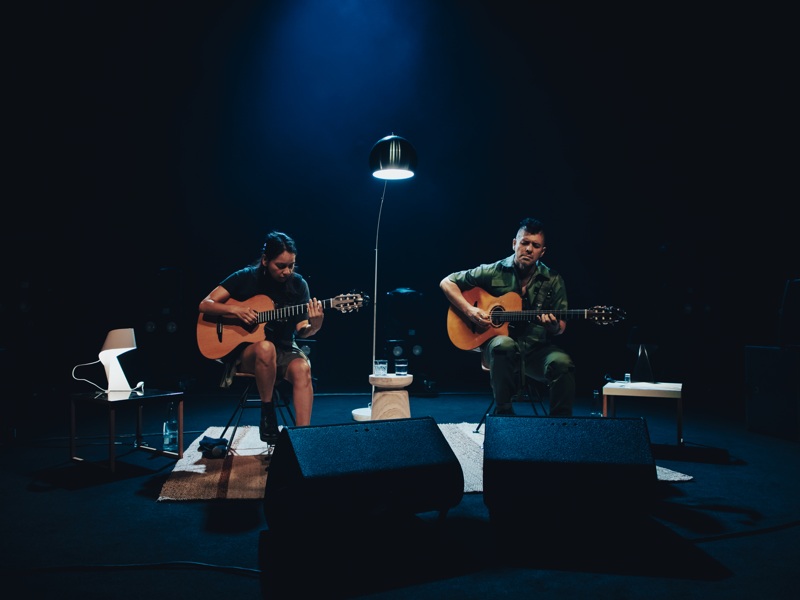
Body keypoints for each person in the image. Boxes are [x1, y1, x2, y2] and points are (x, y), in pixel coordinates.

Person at [440, 217, 575, 416]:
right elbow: (447, 282)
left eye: (535, 245)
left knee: (563, 363)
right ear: (514, 244)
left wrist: (553, 326)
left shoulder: (553, 280)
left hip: (535, 351)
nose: (529, 249)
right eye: (524, 242)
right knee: (504, 344)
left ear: (542, 251)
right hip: (498, 351)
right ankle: (504, 415)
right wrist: (470, 310)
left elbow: (561, 326)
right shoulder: (492, 270)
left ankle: (560, 426)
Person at [198, 231, 324, 444]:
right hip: (248, 352)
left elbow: (303, 329)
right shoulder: (246, 277)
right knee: (266, 348)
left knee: (303, 368)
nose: (287, 271)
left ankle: (304, 440)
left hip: (283, 348)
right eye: (280, 265)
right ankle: (268, 412)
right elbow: (205, 304)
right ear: (265, 260)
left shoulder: (298, 285)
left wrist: (316, 325)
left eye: (291, 265)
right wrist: (235, 310)